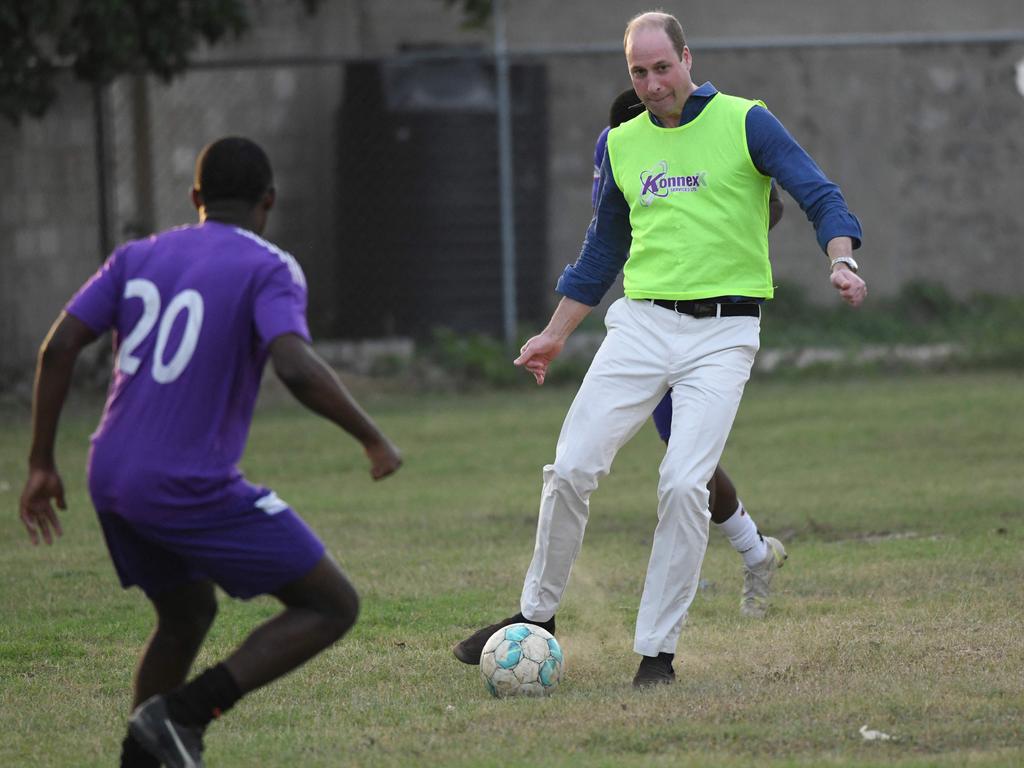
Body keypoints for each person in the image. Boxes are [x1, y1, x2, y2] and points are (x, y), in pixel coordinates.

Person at [454, 11, 866, 688]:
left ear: (686, 59)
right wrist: (555, 334)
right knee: (570, 468)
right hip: (641, 327)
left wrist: (840, 258)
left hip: (723, 335)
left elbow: (817, 192)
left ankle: (657, 654)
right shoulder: (621, 144)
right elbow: (602, 252)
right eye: (638, 73)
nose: (651, 84)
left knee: (682, 485)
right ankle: (535, 618)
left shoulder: (745, 120)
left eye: (661, 68)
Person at [18, 136, 402, 767]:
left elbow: (58, 348)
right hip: (184, 483)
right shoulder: (268, 265)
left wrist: (39, 462)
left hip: (109, 473)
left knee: (186, 611)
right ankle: (185, 715)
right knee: (333, 604)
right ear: (268, 202)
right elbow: (296, 365)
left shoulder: (136, 255)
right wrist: (373, 437)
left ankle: (141, 756)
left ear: (195, 197)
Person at [595, 87, 789, 620]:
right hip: (649, 321)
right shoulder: (617, 145)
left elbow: (768, 208)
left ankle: (747, 555)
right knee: (675, 460)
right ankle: (755, 552)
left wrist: (710, 228)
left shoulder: (719, 136)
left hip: (715, 326)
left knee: (688, 466)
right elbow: (608, 229)